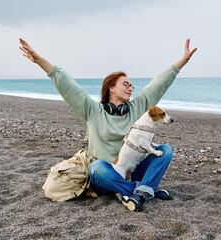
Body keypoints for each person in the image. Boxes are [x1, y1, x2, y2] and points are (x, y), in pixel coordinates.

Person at [19, 38, 197, 211]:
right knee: (96, 167)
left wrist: (182, 62)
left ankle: (138, 191)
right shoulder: (93, 111)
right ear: (111, 87)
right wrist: (39, 61)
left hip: (133, 170)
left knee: (165, 150)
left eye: (131, 85)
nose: (131, 88)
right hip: (107, 175)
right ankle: (144, 191)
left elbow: (159, 84)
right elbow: (68, 86)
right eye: (125, 84)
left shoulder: (138, 108)